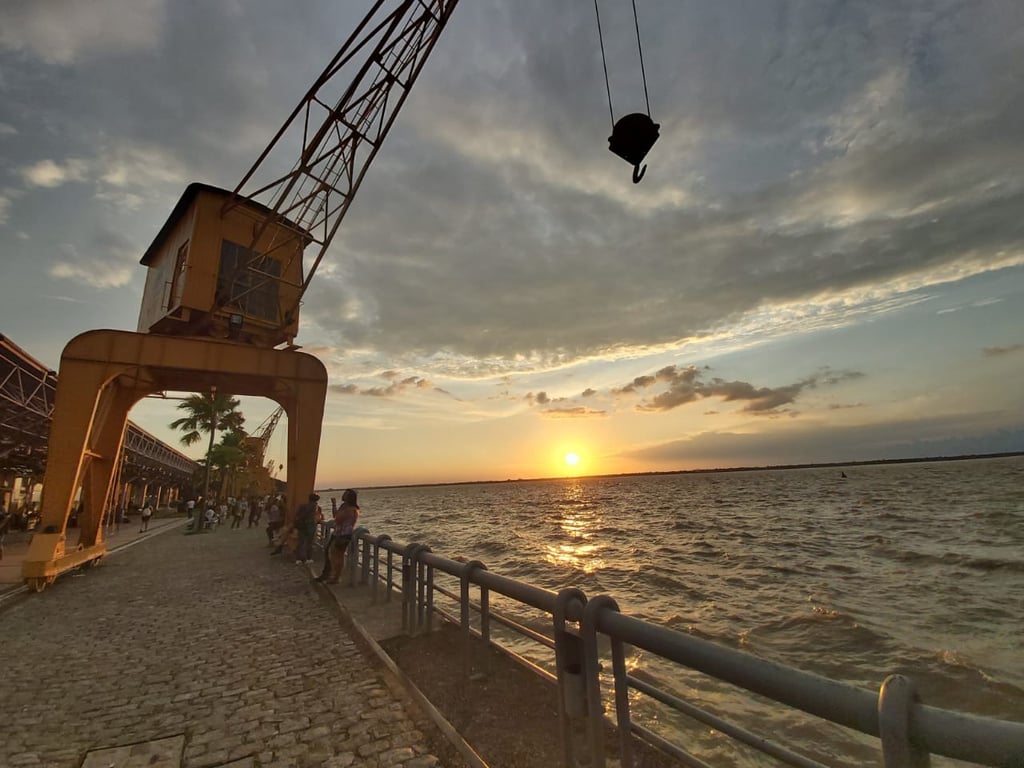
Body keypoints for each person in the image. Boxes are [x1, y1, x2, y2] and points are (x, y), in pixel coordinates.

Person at [319, 489, 360, 584]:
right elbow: (335, 516)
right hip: (338, 532)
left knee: (338, 555)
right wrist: (334, 504)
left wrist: (337, 510)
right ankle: (333, 574)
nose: (343, 495)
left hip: (343, 534)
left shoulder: (350, 509)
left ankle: (336, 576)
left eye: (346, 494)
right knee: (333, 553)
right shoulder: (345, 507)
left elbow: (338, 519)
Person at [292, 493, 319, 565]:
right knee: (309, 542)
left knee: (300, 542)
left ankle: (298, 559)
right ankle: (308, 558)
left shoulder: (302, 506)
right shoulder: (314, 506)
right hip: (310, 524)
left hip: (301, 525)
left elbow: (297, 515)